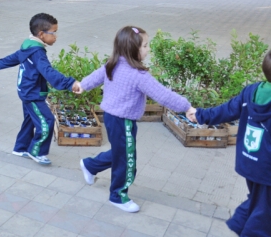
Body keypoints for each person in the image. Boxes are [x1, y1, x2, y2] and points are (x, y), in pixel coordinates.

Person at [77, 26, 194, 213]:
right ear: (132, 49)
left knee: (122, 152)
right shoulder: (139, 76)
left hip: (113, 118)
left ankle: (90, 165)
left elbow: (95, 78)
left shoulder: (112, 63)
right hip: (122, 121)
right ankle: (118, 196)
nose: (148, 49)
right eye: (145, 46)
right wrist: (186, 106)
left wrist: (83, 85)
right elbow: (163, 95)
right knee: (127, 159)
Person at [188, 51, 271, 237]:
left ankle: (239, 222)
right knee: (265, 215)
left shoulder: (252, 90)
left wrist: (200, 114)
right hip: (267, 169)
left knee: (258, 200)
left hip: (249, 161)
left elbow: (227, 109)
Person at [0, 13, 81, 165]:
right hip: (32, 94)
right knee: (47, 120)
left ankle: (20, 148)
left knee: (30, 119)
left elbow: (12, 58)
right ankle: (36, 151)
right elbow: (48, 72)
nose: (56, 36)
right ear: (41, 34)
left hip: (25, 90)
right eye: (54, 33)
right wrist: (69, 83)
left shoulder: (28, 46)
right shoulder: (37, 52)